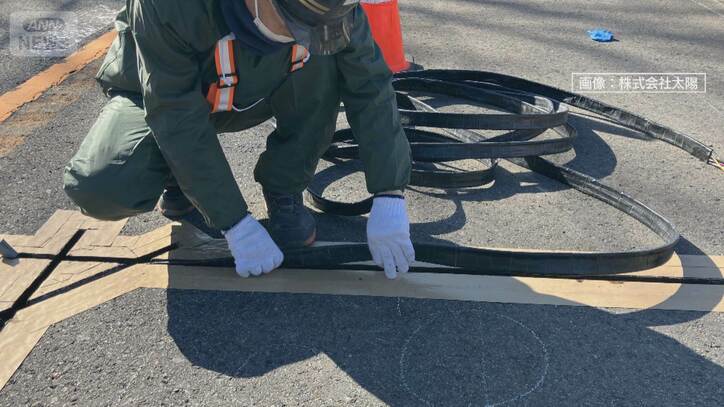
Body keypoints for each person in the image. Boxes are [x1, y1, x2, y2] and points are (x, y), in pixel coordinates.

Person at [62, 0, 415, 279]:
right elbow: (174, 112)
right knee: (104, 185)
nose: (303, 35)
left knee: (327, 62)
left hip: (255, 82)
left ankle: (285, 186)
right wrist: (234, 222)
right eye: (294, 22)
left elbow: (369, 83)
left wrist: (389, 192)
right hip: (162, 90)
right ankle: (178, 179)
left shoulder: (331, 6)